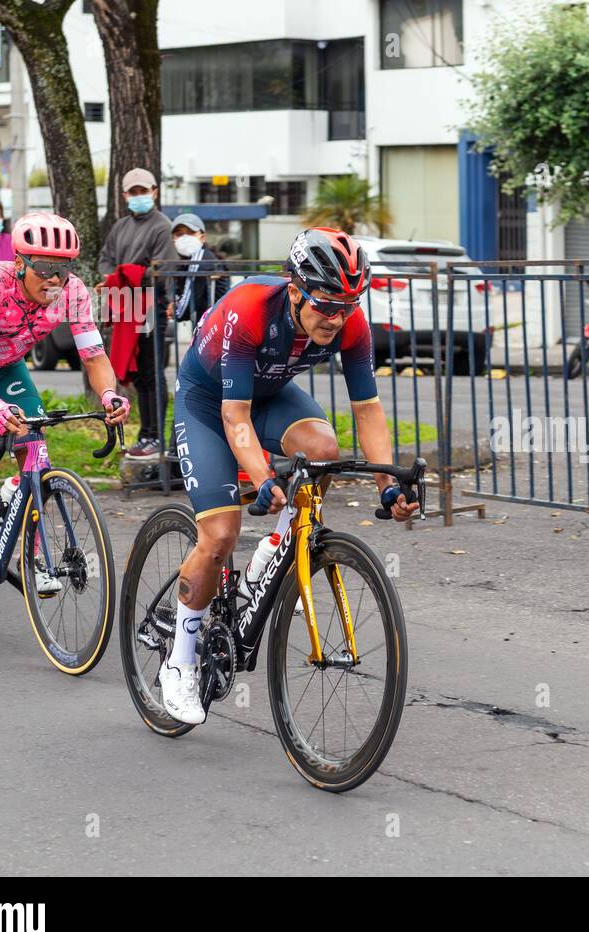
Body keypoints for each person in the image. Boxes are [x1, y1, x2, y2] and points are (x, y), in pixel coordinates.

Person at [157, 227, 419, 725]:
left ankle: (277, 547)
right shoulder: (249, 308)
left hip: (270, 396)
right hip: (210, 404)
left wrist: (389, 484)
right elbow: (235, 418)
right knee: (219, 536)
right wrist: (262, 477)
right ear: (296, 289)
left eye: (348, 304)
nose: (337, 317)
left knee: (322, 449)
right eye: (326, 304)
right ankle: (180, 660)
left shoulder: (349, 322)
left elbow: (367, 409)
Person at [0, 212, 130, 583]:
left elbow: (94, 355)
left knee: (34, 447)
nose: (53, 279)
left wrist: (110, 394)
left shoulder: (72, 291)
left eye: (62, 269)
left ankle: (32, 549)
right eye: (44, 268)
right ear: (19, 263)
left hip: (7, 365)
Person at [96, 167, 174, 460]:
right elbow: (106, 259)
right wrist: (114, 277)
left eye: (144, 190)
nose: (139, 196)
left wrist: (124, 275)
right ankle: (146, 433)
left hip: (150, 304)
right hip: (124, 304)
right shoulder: (120, 226)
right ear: (125, 195)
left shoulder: (162, 226)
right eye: (134, 191)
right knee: (139, 373)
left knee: (152, 371)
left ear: (154, 192)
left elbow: (161, 269)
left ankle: (155, 435)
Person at [165, 212, 229, 325]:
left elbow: (190, 297)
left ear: (203, 237)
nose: (185, 238)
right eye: (179, 234)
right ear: (173, 239)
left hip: (216, 324)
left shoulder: (200, 258)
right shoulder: (189, 259)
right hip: (210, 323)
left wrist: (176, 311)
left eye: (191, 233)